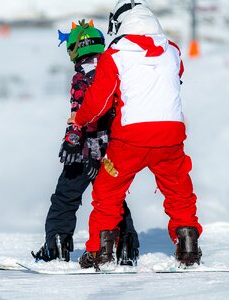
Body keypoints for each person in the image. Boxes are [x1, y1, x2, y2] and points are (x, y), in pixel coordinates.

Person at [70, 1, 203, 269]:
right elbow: (175, 79)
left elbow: (100, 101)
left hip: (131, 138)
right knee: (179, 191)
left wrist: (80, 120)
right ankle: (188, 247)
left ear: (119, 24)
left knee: (108, 192)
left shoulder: (115, 54)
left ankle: (101, 252)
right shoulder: (173, 51)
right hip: (171, 134)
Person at [31, 20, 140, 266]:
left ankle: (56, 247)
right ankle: (125, 247)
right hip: (114, 148)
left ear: (75, 49)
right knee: (113, 199)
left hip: (84, 150)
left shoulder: (82, 76)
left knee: (65, 198)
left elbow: (82, 112)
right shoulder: (114, 71)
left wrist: (71, 139)